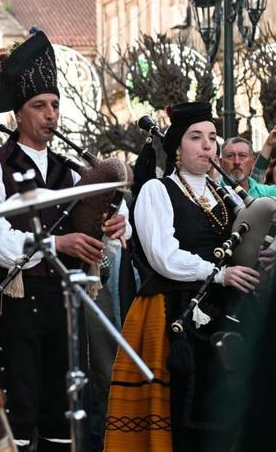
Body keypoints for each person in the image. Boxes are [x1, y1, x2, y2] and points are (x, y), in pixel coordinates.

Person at [0, 30, 129, 451]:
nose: (50, 115)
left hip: (65, 302)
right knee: (19, 410)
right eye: (39, 106)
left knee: (64, 411)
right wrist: (59, 245)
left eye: (55, 106)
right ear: (18, 115)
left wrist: (117, 223)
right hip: (20, 300)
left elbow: (112, 211)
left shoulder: (71, 169)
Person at [105, 101, 259, 452]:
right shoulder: (157, 191)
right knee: (181, 416)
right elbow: (163, 256)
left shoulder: (222, 195)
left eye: (212, 138)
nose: (208, 146)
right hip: (172, 314)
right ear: (176, 148)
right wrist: (218, 274)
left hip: (222, 313)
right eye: (196, 137)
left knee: (223, 414)